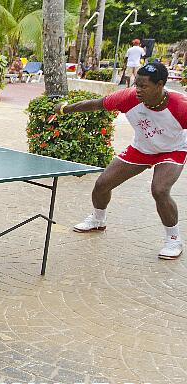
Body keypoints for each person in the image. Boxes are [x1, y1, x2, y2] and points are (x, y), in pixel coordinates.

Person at [54, 63, 187, 260]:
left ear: (160, 85)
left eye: (144, 86)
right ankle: (98, 219)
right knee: (101, 184)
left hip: (172, 150)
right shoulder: (128, 97)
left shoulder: (180, 105)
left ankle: (173, 239)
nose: (138, 90)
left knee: (159, 190)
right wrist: (65, 109)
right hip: (141, 149)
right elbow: (95, 104)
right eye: (136, 84)